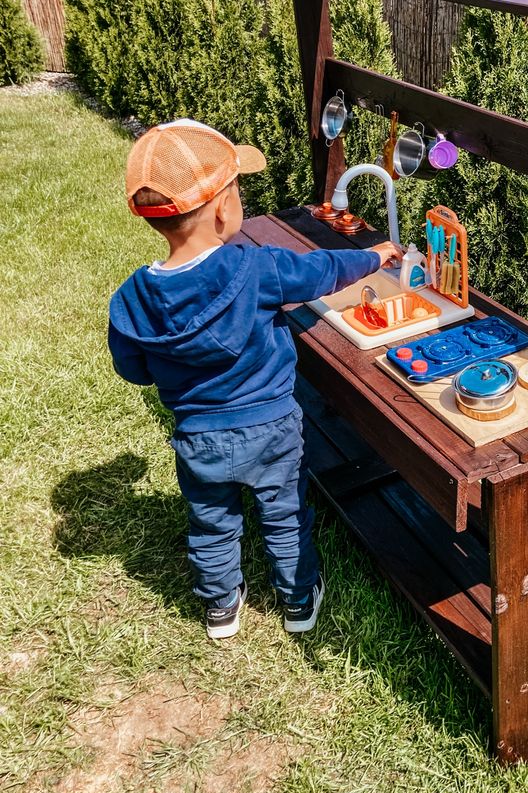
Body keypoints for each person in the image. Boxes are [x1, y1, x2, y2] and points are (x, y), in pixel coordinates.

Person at [108, 119, 401, 639]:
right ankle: (297, 600)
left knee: (212, 523)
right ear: (223, 208)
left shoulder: (130, 300)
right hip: (272, 428)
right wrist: (374, 255)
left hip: (198, 437)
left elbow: (134, 371)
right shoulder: (256, 268)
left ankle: (221, 607)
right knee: (285, 516)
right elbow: (321, 272)